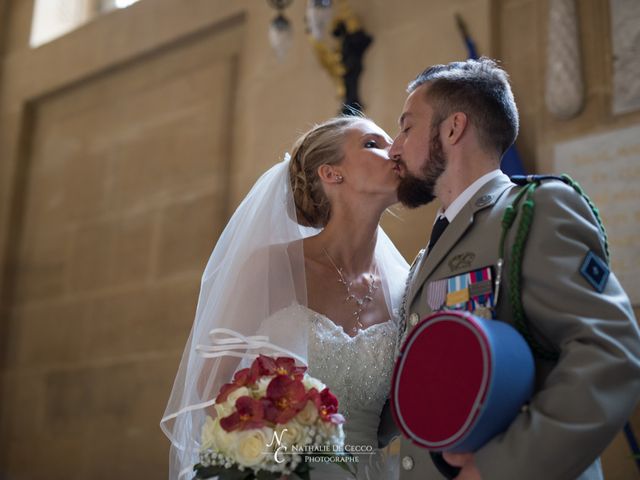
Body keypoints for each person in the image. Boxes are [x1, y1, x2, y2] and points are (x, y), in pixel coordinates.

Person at [387, 57, 640, 480]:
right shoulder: (429, 252)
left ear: (453, 128)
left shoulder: (534, 211)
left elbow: (610, 351)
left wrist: (500, 468)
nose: (395, 146)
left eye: (407, 126)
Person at [161, 115, 409, 479]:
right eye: (373, 144)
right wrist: (274, 456)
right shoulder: (274, 267)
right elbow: (211, 387)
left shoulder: (404, 285)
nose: (395, 152)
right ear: (331, 174)